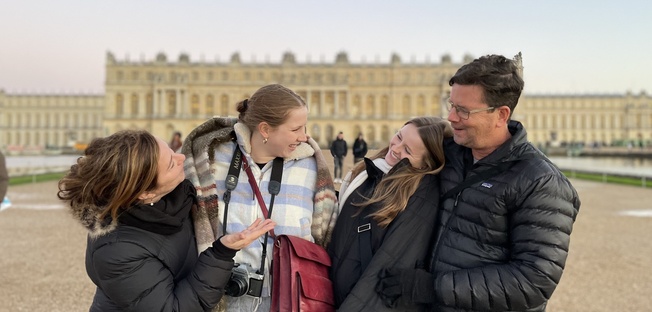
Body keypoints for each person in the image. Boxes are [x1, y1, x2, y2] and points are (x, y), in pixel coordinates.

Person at [376, 54, 581, 311]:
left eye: (463, 110)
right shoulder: (449, 154)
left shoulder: (541, 182)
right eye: (451, 105)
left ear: (501, 115)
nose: (450, 117)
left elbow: (536, 281)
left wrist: (433, 287)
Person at [57, 129, 275, 311]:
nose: (182, 158)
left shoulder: (174, 198)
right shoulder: (116, 251)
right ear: (145, 193)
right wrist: (221, 253)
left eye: (172, 151)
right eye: (171, 163)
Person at [182, 84, 338, 311]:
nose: (304, 136)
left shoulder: (312, 168)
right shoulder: (211, 159)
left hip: (291, 303)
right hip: (222, 301)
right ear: (265, 129)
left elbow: (326, 240)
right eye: (296, 129)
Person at [329, 117, 453, 311]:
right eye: (399, 136)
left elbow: (388, 269)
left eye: (408, 151)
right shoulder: (371, 171)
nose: (395, 148)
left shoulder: (418, 198)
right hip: (336, 293)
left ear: (426, 163)